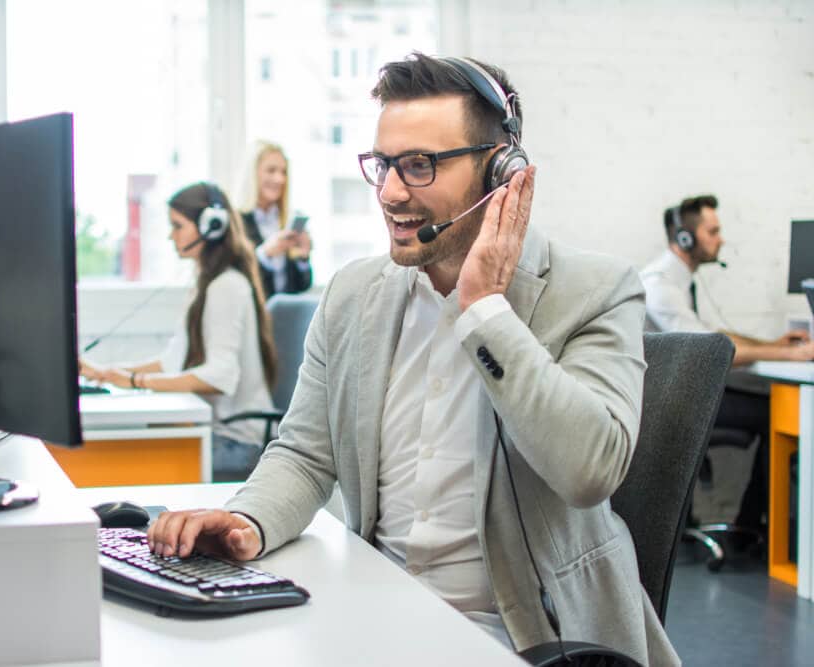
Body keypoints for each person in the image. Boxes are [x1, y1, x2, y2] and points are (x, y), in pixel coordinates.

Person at [148, 54, 678, 665]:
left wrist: (485, 311)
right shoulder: (352, 296)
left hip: (524, 636)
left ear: (500, 173)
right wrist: (245, 522)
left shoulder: (594, 290)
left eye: (420, 165)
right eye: (383, 165)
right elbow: (303, 454)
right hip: (370, 608)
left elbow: (591, 471)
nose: (392, 192)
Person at [79, 182, 277, 481]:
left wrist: (136, 381)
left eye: (178, 226)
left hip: (238, 441)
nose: (171, 236)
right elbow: (173, 360)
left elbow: (218, 375)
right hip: (218, 432)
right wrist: (107, 373)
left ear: (211, 226)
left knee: (133, 461)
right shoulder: (208, 284)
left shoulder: (227, 286)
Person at [641, 195, 814, 534]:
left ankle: (752, 524)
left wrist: (772, 344)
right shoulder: (659, 286)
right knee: (771, 413)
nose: (720, 239)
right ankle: (756, 527)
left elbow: (711, 334)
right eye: (713, 231)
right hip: (671, 405)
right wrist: (790, 356)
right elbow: (708, 350)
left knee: (772, 408)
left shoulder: (676, 281)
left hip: (679, 395)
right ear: (685, 238)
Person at [237, 141, 313, 297]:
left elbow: (303, 285)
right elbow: (238, 280)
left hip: (287, 316)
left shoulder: (286, 220)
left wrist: (303, 257)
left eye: (283, 172)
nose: (280, 179)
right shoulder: (237, 222)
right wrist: (265, 254)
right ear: (253, 174)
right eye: (271, 171)